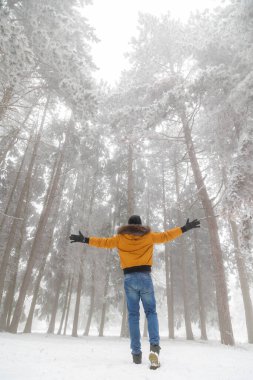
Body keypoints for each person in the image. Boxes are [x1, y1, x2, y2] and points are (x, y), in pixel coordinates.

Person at [69, 215, 200, 370]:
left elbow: (103, 242)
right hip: (145, 277)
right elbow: (166, 236)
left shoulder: (119, 238)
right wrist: (185, 228)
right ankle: (154, 349)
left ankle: (136, 354)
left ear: (129, 225)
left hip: (129, 279)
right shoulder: (149, 236)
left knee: (133, 316)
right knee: (151, 313)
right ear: (140, 224)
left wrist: (84, 240)